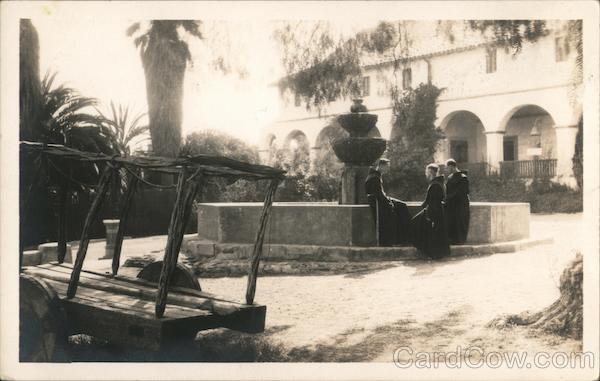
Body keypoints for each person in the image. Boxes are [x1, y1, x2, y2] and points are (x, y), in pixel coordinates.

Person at [364, 158, 411, 245]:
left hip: (381, 201)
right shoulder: (374, 178)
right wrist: (389, 202)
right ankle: (403, 238)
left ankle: (404, 237)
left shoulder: (375, 176)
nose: (388, 169)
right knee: (401, 208)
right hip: (379, 205)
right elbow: (379, 195)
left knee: (402, 205)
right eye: (386, 167)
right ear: (381, 166)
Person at [411, 163, 450, 259]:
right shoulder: (438, 182)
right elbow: (430, 199)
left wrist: (430, 216)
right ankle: (433, 253)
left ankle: (430, 253)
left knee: (415, 223)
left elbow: (433, 201)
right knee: (434, 232)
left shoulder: (435, 184)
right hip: (437, 211)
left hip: (434, 212)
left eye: (427, 171)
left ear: (431, 172)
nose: (426, 173)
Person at [444, 159, 470, 244]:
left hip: (460, 205)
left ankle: (459, 240)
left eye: (447, 167)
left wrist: (448, 198)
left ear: (451, 167)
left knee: (460, 222)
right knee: (451, 222)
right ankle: (452, 239)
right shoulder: (450, 177)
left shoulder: (463, 178)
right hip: (451, 205)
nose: (446, 169)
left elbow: (461, 192)